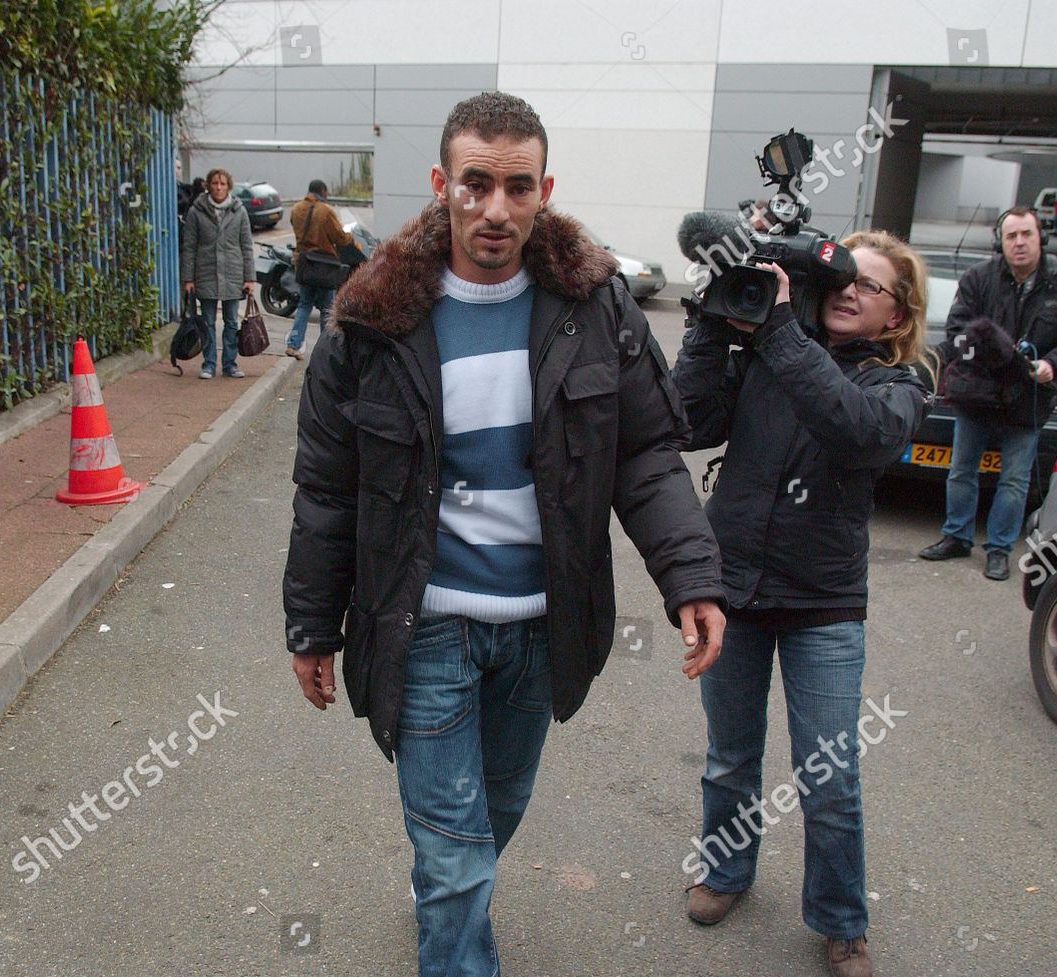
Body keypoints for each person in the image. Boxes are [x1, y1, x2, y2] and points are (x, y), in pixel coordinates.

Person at [282, 91, 727, 977]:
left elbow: (644, 455)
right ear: (442, 183)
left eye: (516, 187)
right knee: (454, 856)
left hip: (541, 622)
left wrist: (693, 577)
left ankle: (449, 889)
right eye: (476, 184)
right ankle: (450, 908)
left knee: (495, 812)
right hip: (425, 622)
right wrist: (312, 624)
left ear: (543, 190)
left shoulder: (595, 307)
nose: (495, 209)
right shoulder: (373, 321)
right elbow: (327, 489)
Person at [673, 231, 934, 977]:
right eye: (843, 277)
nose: (850, 291)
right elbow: (687, 420)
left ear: (895, 316)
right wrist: (711, 323)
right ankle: (725, 870)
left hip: (823, 602)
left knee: (828, 772)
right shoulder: (767, 351)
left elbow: (857, 431)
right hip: (736, 590)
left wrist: (781, 334)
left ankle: (841, 919)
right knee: (729, 758)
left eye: (871, 286)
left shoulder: (899, 380)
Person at [918, 207, 1057, 580]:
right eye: (1011, 235)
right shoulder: (978, 278)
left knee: (1015, 480)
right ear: (1000, 241)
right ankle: (956, 537)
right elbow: (958, 332)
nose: (1019, 243)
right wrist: (995, 351)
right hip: (977, 394)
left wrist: (1053, 363)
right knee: (961, 471)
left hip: (1027, 399)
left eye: (1026, 235)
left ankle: (999, 549)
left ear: (1040, 238)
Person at [180, 168, 254, 378]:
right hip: (206, 273)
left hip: (233, 273)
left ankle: (229, 364)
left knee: (231, 322)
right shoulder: (196, 211)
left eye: (222, 184)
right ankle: (209, 364)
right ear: (208, 186)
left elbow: (246, 245)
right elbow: (190, 246)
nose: (218, 188)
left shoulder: (239, 211)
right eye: (214, 183)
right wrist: (188, 278)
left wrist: (250, 278)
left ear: (228, 186)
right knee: (208, 322)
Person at [283, 179, 355, 359]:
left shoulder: (296, 209)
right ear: (323, 191)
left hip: (304, 264)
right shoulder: (326, 211)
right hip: (324, 266)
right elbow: (339, 237)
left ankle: (293, 343)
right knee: (327, 309)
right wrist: (349, 237)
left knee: (304, 304)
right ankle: (325, 351)